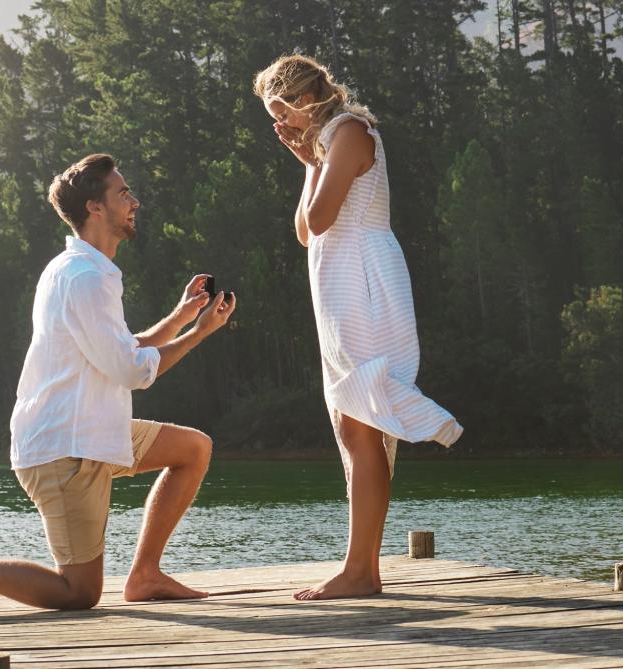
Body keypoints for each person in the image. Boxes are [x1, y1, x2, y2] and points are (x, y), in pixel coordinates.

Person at [0, 153, 236, 612]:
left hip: (95, 432)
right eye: (123, 193)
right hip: (65, 448)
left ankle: (144, 575)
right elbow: (130, 370)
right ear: (95, 208)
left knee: (193, 448)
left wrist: (182, 317)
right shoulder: (84, 278)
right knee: (78, 592)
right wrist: (199, 334)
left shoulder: (80, 270)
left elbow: (122, 348)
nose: (134, 201)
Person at [253, 55, 463, 600]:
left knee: (360, 423)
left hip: (365, 279)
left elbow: (322, 220)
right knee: (354, 425)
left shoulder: (348, 131)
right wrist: (306, 163)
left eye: (279, 110)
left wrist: (315, 161)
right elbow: (305, 231)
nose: (278, 124)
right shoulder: (324, 145)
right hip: (339, 280)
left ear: (301, 99)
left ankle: (359, 571)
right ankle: (362, 569)